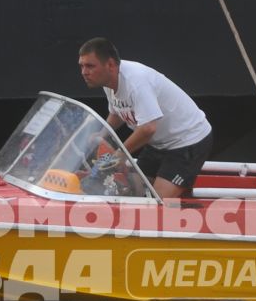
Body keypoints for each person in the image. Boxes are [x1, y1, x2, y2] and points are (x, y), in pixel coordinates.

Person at [75, 38, 213, 200]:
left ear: (110, 64)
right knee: (135, 192)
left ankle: (181, 206)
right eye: (82, 66)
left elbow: (148, 128)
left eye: (90, 66)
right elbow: (117, 111)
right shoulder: (109, 81)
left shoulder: (136, 82)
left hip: (188, 141)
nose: (84, 72)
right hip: (158, 143)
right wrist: (101, 134)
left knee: (157, 201)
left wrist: (120, 154)